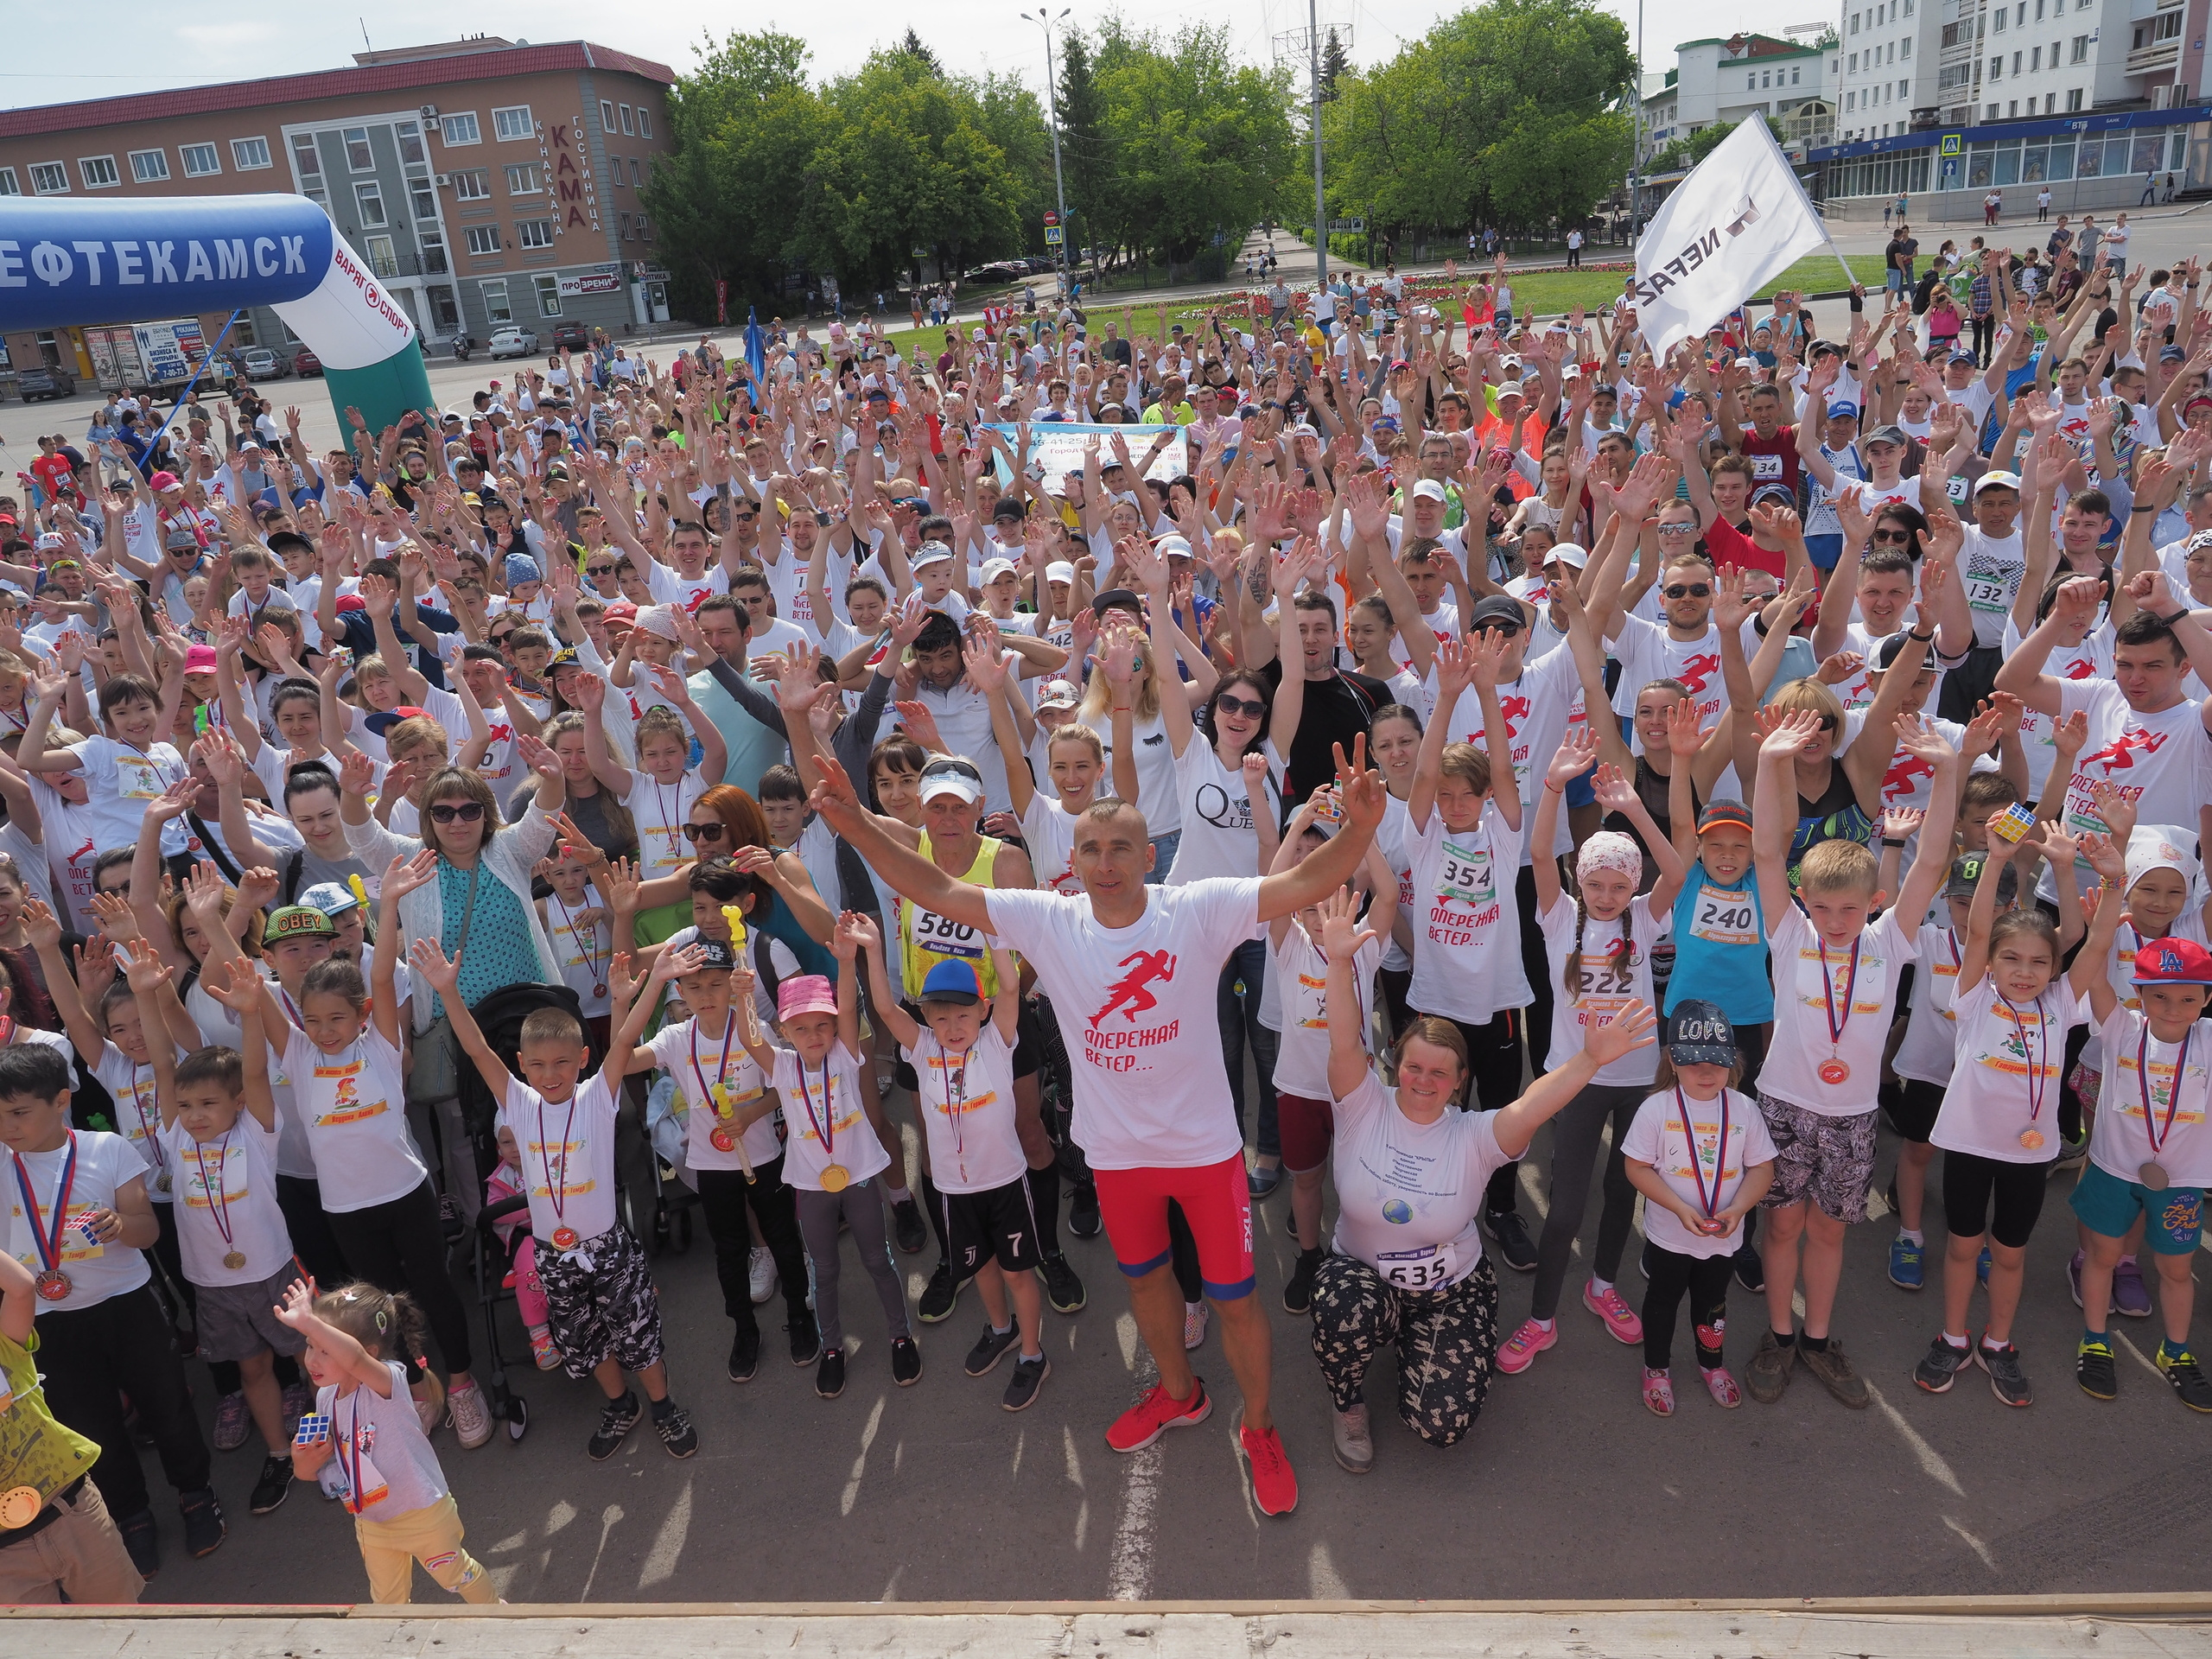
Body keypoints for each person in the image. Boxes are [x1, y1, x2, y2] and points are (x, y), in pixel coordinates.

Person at [801, 723, 1389, 1517]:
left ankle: (1259, 1426)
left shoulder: (1199, 907)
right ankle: (1179, 1395)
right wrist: (855, 823)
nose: (1105, 864)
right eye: (1090, 851)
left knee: (1237, 1299)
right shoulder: (1049, 918)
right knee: (1145, 1282)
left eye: (1120, 848)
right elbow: (933, 889)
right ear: (1071, 864)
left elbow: (1301, 885)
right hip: (1115, 1156)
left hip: (1206, 1151)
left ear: (1149, 857)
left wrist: (1361, 827)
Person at [1311, 887, 1656, 1469]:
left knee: (1442, 1426)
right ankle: (1349, 1402)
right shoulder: (1362, 1105)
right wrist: (1340, 962)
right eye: (1414, 1066)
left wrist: (1591, 1060)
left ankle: (1418, 1348)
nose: (1423, 1079)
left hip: (1449, 1288)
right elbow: (1345, 1039)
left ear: (1459, 1081)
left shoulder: (1474, 1135)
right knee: (1346, 1307)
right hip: (1362, 1278)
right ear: (1395, 1065)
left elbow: (1532, 1106)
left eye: (1439, 1072)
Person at [417, 919, 699, 1460]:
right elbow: (477, 1049)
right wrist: (448, 991)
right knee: (586, 1341)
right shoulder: (517, 1103)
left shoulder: (596, 1096)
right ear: (522, 1066)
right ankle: (621, 1406)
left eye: (562, 1064)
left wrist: (655, 979)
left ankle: (662, 1405)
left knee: (637, 1333)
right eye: (539, 1066)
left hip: (609, 1248)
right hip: (554, 1255)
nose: (551, 1075)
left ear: (581, 1062)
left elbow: (622, 1040)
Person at [1746, 707, 1960, 1408]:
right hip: (1782, 1104)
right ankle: (1779, 1338)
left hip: (1853, 1115)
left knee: (1829, 1231)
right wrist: (1771, 762)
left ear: (1873, 902)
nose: (1836, 922)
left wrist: (1948, 770)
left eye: (1850, 909)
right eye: (1824, 908)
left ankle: (1816, 1338)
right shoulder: (1790, 935)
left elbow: (1930, 860)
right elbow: (1768, 853)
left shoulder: (1887, 942)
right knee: (1781, 1224)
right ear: (1806, 901)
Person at [1911, 825, 2117, 1406]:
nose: (2024, 972)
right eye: (2011, 960)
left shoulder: (2059, 1004)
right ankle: (1953, 1337)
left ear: (2054, 969)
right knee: (1960, 1246)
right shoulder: (1974, 998)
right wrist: (2000, 856)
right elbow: (1979, 928)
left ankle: (1998, 1343)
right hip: (1970, 1146)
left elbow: (2096, 946)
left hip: (2029, 1153)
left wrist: (2105, 875)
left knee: (2009, 1253)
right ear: (1992, 964)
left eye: (2037, 962)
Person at [276, 1279, 502, 1605]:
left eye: (326, 1349)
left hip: (423, 1514)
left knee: (456, 1576)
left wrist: (310, 1320)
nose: (312, 1360)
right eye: (310, 1345)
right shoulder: (326, 1397)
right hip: (371, 1521)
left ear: (370, 1353)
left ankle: (498, 1615)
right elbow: (313, 1471)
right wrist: (304, 1462)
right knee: (386, 1603)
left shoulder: (389, 1379)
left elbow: (353, 1359)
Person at [1620, 1000, 1777, 1414]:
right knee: (1662, 1301)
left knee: (1713, 1303)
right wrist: (1677, 1207)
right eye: (1693, 1063)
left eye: (1717, 1062)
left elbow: (1762, 1168)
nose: (1706, 1073)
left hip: (1724, 1238)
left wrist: (1739, 1209)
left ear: (1733, 1061)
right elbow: (1635, 1166)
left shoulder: (1745, 1109)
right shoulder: (1657, 1108)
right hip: (1670, 1236)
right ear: (1672, 1062)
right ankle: (1656, 1368)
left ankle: (1711, 1364)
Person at [0, 1243, 143, 1603]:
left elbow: (19, 1286)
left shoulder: (4, 1345)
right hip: (5, 1559)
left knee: (128, 1631)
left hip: (75, 1513)